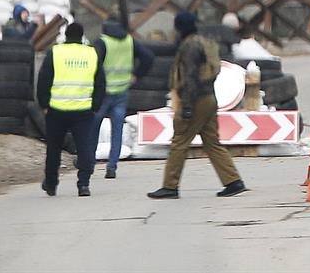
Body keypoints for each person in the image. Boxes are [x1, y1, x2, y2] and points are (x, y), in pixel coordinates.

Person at [146, 12, 246, 200]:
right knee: (212, 142)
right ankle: (233, 181)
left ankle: (170, 186)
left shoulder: (189, 47)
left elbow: (190, 78)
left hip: (195, 99)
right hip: (209, 98)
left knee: (179, 142)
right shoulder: (202, 42)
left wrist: (187, 105)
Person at [35, 21, 106, 197]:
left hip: (56, 110)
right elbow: (100, 83)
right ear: (81, 36)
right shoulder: (92, 54)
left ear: (65, 35)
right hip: (83, 111)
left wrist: (44, 104)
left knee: (54, 149)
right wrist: (95, 106)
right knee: (84, 148)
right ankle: (83, 184)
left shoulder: (55, 52)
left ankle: (51, 184)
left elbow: (44, 80)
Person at [91, 15, 156, 180]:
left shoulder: (102, 42)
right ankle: (112, 167)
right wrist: (136, 75)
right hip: (123, 90)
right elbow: (149, 57)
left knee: (93, 127)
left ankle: (89, 162)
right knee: (117, 129)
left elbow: (93, 64)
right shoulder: (129, 40)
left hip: (104, 92)